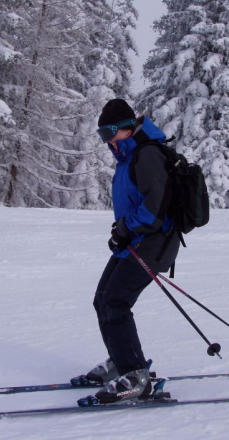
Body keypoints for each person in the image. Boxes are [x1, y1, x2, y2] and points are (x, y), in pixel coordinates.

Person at [71, 99, 180, 404]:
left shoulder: (145, 154)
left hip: (156, 240)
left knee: (116, 301)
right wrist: (123, 232)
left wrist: (126, 228)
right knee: (102, 299)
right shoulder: (128, 156)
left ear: (125, 128)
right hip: (136, 239)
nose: (106, 141)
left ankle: (135, 377)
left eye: (108, 133)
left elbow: (155, 207)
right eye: (102, 134)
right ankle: (122, 362)